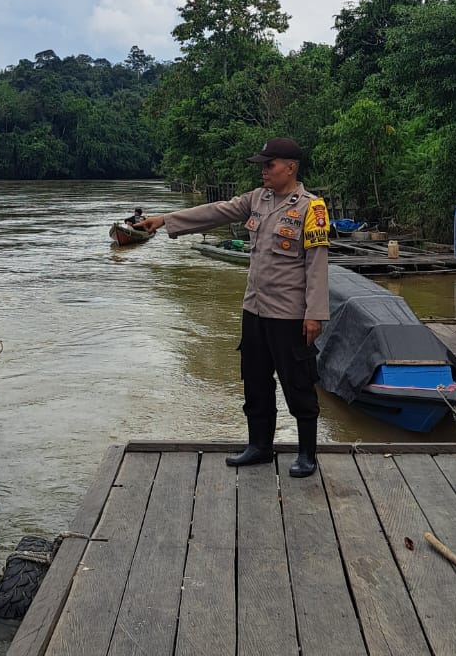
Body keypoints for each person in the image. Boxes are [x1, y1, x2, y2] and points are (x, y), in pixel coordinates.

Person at [137, 138, 329, 477]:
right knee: (255, 380)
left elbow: (316, 265)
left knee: (298, 383)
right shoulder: (258, 199)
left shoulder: (311, 209)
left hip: (289, 315)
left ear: (290, 166)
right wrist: (166, 219)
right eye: (262, 165)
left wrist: (314, 313)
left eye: (269, 164)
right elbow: (216, 212)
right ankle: (259, 447)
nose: (263, 170)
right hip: (254, 310)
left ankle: (307, 455)